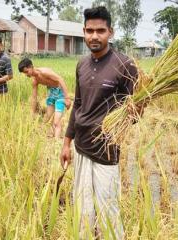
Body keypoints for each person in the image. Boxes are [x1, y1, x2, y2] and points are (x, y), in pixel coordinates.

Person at [59, 6, 144, 239]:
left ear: (111, 32)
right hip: (81, 147)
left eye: (100, 31)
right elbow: (77, 105)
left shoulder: (126, 65)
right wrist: (66, 143)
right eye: (89, 31)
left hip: (107, 150)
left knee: (108, 211)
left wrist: (136, 109)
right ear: (83, 32)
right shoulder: (81, 65)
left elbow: (134, 115)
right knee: (83, 209)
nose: (94, 36)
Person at [18, 58, 72, 138]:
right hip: (51, 93)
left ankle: (56, 143)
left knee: (56, 121)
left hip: (60, 93)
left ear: (31, 66)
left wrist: (67, 98)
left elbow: (60, 79)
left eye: (26, 71)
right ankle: (53, 134)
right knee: (46, 119)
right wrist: (32, 112)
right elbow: (34, 97)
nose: (26, 74)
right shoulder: (35, 81)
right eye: (24, 73)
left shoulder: (44, 72)